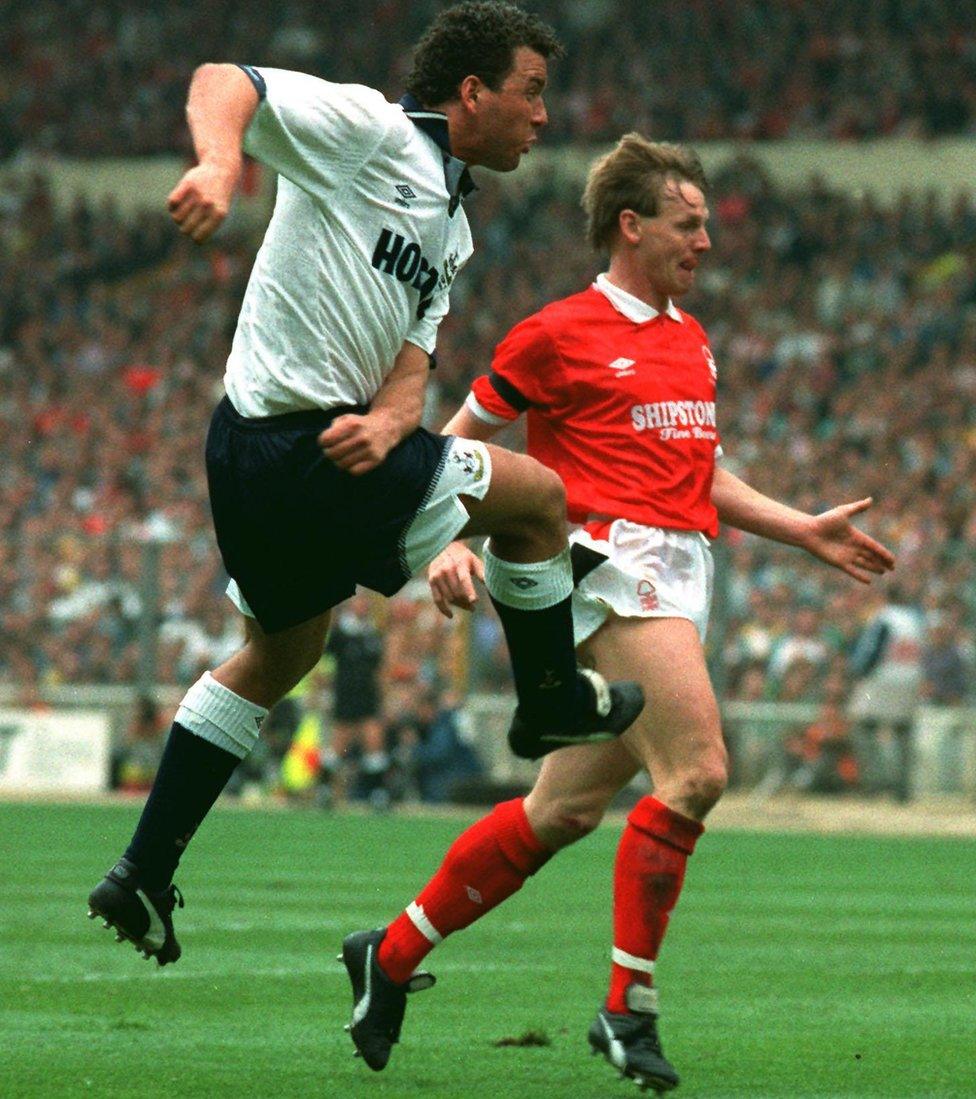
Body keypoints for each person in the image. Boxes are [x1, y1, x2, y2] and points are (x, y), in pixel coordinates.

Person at [86, 2, 646, 974]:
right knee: (539, 499)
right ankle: (551, 697)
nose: (543, 116)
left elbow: (410, 357)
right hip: (300, 446)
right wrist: (224, 166)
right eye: (531, 91)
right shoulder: (368, 130)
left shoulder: (453, 224)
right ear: (471, 92)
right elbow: (227, 77)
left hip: (262, 447)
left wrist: (395, 421)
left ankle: (142, 866)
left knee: (281, 651)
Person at [343, 135, 896, 1087]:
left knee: (559, 809)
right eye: (690, 224)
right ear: (631, 225)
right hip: (608, 569)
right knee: (699, 773)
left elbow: (699, 472)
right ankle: (625, 1008)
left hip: (683, 572)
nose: (707, 242)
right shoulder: (558, 332)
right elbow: (455, 440)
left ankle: (386, 956)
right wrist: (443, 540)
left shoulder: (690, 338)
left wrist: (800, 527)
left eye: (709, 224)